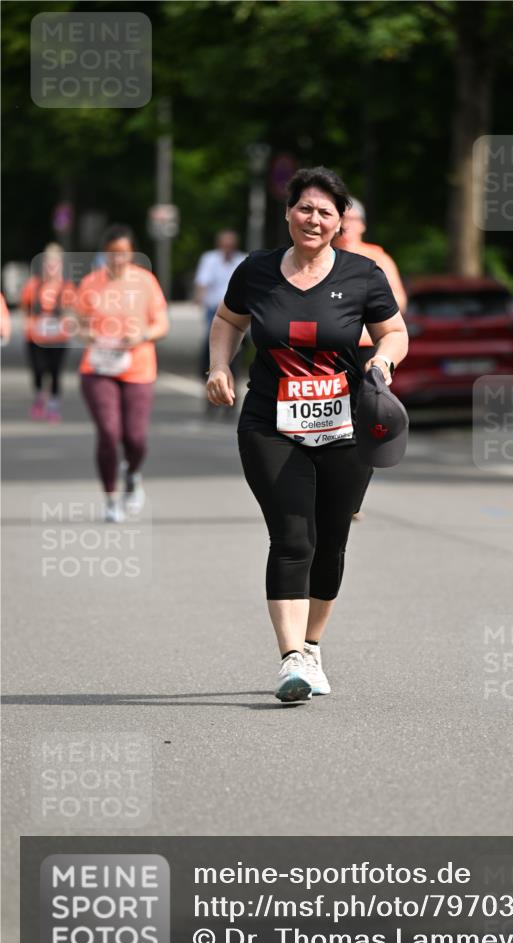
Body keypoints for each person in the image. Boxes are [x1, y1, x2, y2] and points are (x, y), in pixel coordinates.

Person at [206, 166, 409, 703]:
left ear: (341, 221)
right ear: (288, 213)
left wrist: (384, 363)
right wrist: (219, 367)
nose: (313, 219)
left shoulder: (363, 274)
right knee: (293, 537)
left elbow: (394, 332)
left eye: (325, 211)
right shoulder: (257, 271)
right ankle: (291, 659)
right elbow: (228, 321)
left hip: (345, 425)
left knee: (331, 541)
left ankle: (313, 644)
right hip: (269, 423)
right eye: (304, 208)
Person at [76, 225, 169, 523]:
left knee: (135, 437)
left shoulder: (145, 282)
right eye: (112, 254)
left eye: (124, 254)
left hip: (138, 366)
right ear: (104, 253)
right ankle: (111, 499)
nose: (118, 260)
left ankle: (133, 473)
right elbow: (76, 324)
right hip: (98, 368)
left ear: (132, 254)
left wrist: (142, 335)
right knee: (109, 432)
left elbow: (162, 324)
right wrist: (89, 334)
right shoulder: (91, 283)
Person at [335, 199, 408, 519]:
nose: (347, 225)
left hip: (368, 352)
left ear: (363, 224)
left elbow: (398, 303)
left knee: (364, 423)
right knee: (330, 423)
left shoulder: (377, 258)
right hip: (332, 349)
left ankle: (352, 500)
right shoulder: (325, 256)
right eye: (343, 218)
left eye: (353, 218)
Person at [20, 244, 77, 422]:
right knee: (38, 370)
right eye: (48, 263)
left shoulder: (67, 288)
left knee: (55, 372)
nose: (51, 267)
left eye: (55, 263)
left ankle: (53, 405)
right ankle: (39, 396)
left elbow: (72, 311)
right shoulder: (33, 285)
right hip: (35, 337)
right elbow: (25, 308)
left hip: (57, 338)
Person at [194, 230, 247, 408]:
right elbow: (202, 282)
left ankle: (232, 390)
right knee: (211, 348)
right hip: (214, 310)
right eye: (225, 245)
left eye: (230, 246)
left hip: (237, 311)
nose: (227, 249)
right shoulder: (210, 259)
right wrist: (200, 299)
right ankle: (212, 384)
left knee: (237, 351)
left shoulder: (243, 260)